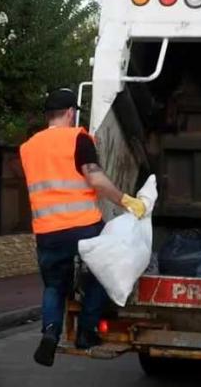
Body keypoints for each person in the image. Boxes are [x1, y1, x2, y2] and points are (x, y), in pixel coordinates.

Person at [20, 88, 147, 367]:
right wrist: (125, 200)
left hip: (47, 231)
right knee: (104, 271)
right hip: (84, 226)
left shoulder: (28, 148)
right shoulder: (78, 138)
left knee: (54, 286)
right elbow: (95, 179)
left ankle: (50, 333)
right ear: (70, 113)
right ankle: (87, 332)